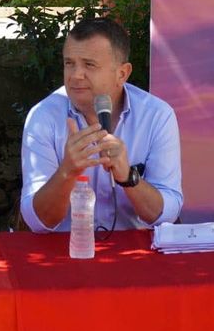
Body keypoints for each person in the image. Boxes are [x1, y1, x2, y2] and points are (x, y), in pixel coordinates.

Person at [20, 16, 182, 232]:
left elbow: (167, 214)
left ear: (122, 74)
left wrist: (129, 177)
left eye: (89, 65)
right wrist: (67, 172)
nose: (76, 75)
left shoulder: (157, 116)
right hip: (67, 247)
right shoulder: (43, 117)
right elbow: (37, 221)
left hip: (134, 248)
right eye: (69, 63)